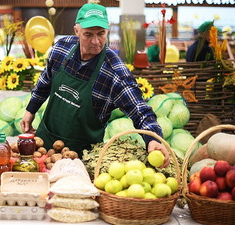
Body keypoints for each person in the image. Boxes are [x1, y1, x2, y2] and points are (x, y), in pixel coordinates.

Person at [20, 3, 170, 167]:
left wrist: (153, 139)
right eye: (88, 34)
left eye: (101, 34)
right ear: (76, 31)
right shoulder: (61, 49)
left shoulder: (115, 72)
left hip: (82, 159)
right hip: (44, 148)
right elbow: (45, 81)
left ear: (108, 30)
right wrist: (30, 110)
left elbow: (139, 109)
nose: (96, 41)